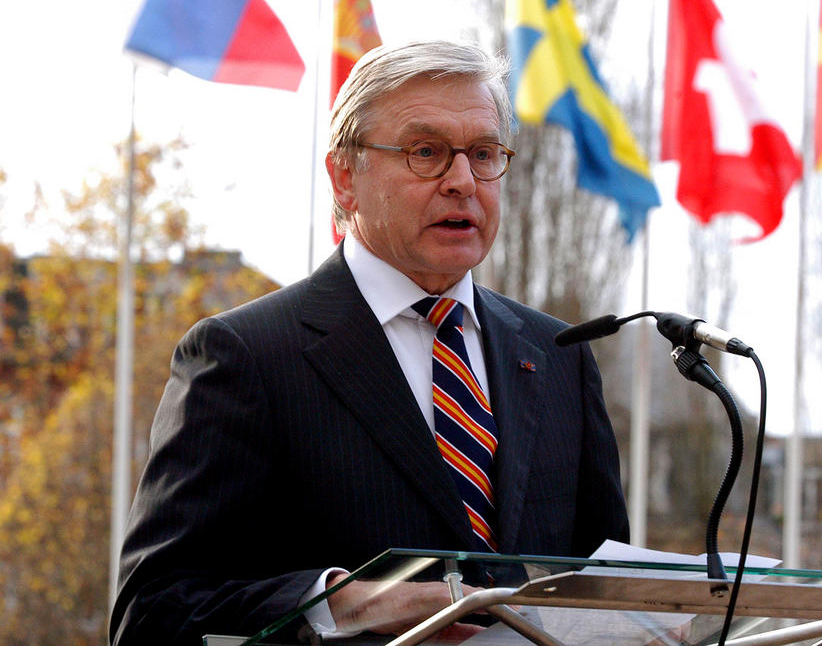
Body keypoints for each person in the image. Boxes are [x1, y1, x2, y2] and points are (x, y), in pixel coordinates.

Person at [109, 40, 628, 645]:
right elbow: (151, 611)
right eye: (426, 152)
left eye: (484, 154)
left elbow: (607, 584)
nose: (463, 180)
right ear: (345, 176)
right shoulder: (244, 356)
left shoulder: (559, 353)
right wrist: (342, 605)